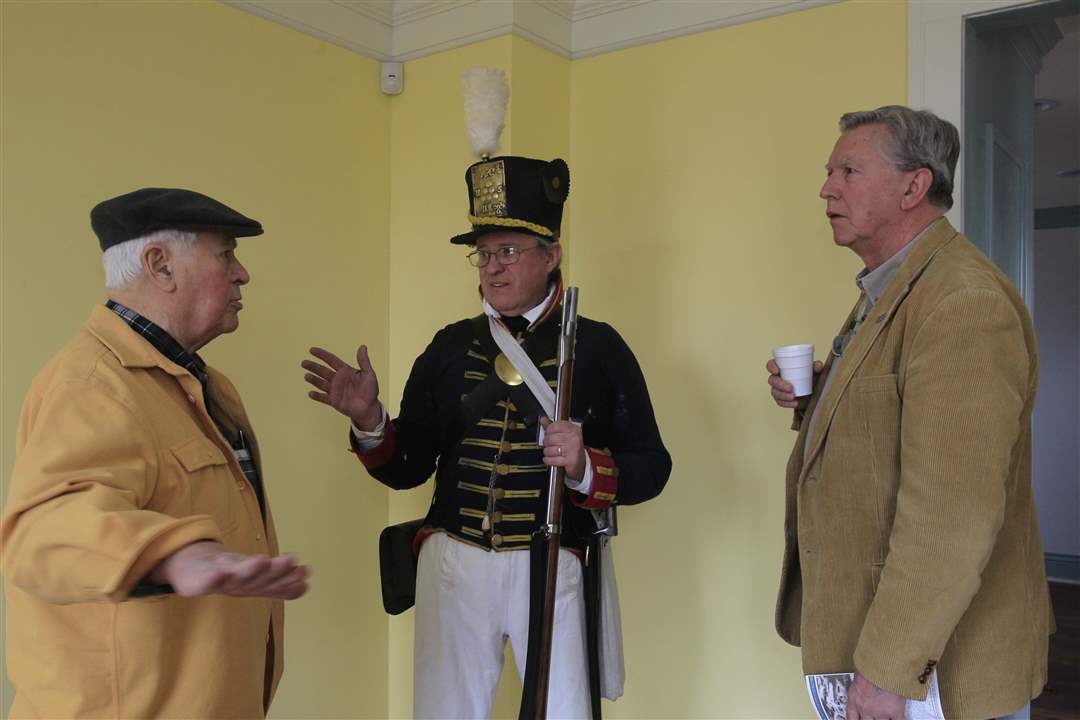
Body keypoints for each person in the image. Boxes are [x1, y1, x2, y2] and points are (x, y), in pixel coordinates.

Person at [303, 155, 670, 718]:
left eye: (509, 252)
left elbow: (651, 466)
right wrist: (369, 419)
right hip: (454, 563)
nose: (493, 268)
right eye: (484, 253)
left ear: (551, 255)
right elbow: (408, 466)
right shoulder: (450, 346)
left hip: (552, 561)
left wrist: (584, 467)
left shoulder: (597, 348)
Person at [767, 106, 1052, 720]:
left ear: (913, 186)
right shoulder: (892, 285)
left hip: (935, 675)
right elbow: (899, 418)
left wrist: (887, 673)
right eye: (829, 172)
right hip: (878, 645)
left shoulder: (962, 301)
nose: (827, 188)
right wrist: (820, 398)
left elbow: (951, 515)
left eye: (848, 171)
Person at [1, 188, 310, 719]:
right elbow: (41, 532)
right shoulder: (91, 386)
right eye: (226, 255)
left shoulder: (210, 388)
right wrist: (167, 555)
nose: (242, 275)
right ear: (160, 265)